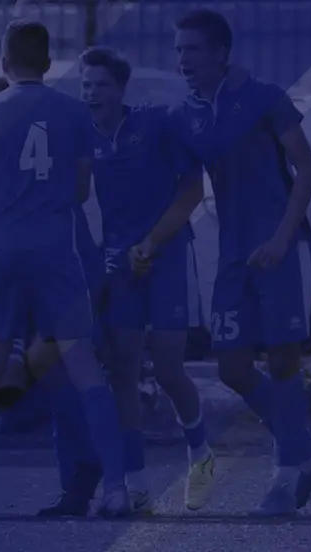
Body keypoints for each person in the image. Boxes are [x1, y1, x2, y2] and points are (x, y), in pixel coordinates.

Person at [0, 20, 130, 518]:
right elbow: (81, 189)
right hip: (57, 251)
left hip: (2, 250)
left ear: (4, 62)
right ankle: (116, 488)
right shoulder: (74, 112)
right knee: (84, 368)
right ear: (48, 62)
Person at [171, 8, 311, 516]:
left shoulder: (265, 98)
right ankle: (309, 454)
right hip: (232, 255)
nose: (182, 59)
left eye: (192, 48)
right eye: (178, 49)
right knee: (232, 368)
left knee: (283, 359)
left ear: (221, 53)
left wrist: (282, 239)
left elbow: (307, 171)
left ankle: (284, 479)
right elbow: (184, 184)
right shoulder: (186, 115)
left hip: (277, 251)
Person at [79, 45, 215, 512]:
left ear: (120, 89)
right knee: (123, 369)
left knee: (170, 368)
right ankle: (135, 483)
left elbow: (192, 190)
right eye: (86, 85)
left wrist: (152, 243)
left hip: (167, 255)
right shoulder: (82, 135)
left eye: (101, 85)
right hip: (120, 264)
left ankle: (201, 456)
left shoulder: (154, 124)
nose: (92, 93)